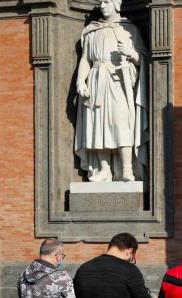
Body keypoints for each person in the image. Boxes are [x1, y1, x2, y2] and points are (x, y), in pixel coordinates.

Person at [74, 0, 148, 183]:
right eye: (100, 2)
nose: (102, 5)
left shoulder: (129, 29)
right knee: (97, 126)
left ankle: (127, 170)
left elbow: (143, 58)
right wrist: (80, 81)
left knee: (121, 123)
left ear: (116, 4)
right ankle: (104, 170)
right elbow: (85, 59)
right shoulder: (92, 31)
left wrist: (131, 53)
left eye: (106, 1)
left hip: (118, 82)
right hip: (96, 82)